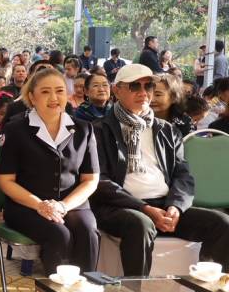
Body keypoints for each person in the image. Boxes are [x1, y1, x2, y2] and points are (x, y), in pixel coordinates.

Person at [92, 64, 229, 275]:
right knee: (141, 224)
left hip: (164, 204)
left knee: (222, 223)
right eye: (134, 86)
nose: (143, 92)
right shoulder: (99, 130)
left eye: (148, 86)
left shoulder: (166, 130)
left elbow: (183, 175)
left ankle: (204, 291)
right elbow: (100, 181)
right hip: (120, 207)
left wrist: (176, 207)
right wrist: (144, 208)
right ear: (117, 90)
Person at [0, 68, 102, 292]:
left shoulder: (83, 129)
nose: (54, 98)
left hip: (71, 203)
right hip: (26, 205)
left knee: (88, 230)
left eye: (59, 91)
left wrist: (64, 205)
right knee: (59, 233)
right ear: (32, 97)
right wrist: (40, 205)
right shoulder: (16, 129)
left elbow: (90, 179)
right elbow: (5, 180)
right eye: (45, 92)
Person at [151, 73, 193, 138]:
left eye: (158, 95)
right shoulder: (138, 119)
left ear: (174, 98)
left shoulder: (184, 121)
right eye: (149, 93)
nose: (151, 99)